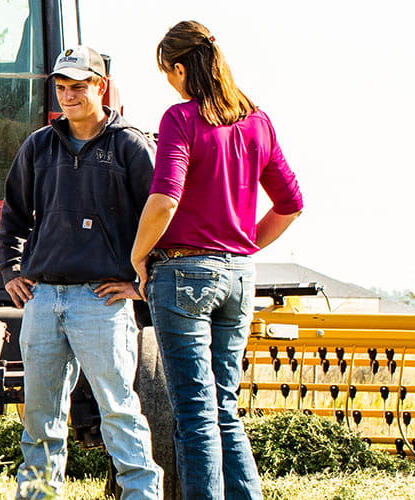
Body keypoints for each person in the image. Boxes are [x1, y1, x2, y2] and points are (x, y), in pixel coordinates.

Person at [128, 21, 305, 500]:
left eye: (168, 71)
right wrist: (243, 244)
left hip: (184, 273)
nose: (169, 80)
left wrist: (138, 254)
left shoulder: (181, 119)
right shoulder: (257, 121)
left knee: (195, 411)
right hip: (240, 275)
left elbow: (165, 198)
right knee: (225, 405)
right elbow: (290, 203)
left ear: (181, 67)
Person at [0, 46, 163, 500]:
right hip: (43, 300)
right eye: (62, 87)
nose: (68, 96)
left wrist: (138, 281)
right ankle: (37, 495)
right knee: (39, 416)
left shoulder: (129, 144)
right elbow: (13, 214)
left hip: (102, 301)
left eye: (78, 87)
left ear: (100, 86)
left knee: (118, 410)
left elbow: (163, 212)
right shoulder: (39, 145)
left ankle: (141, 494)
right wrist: (12, 269)